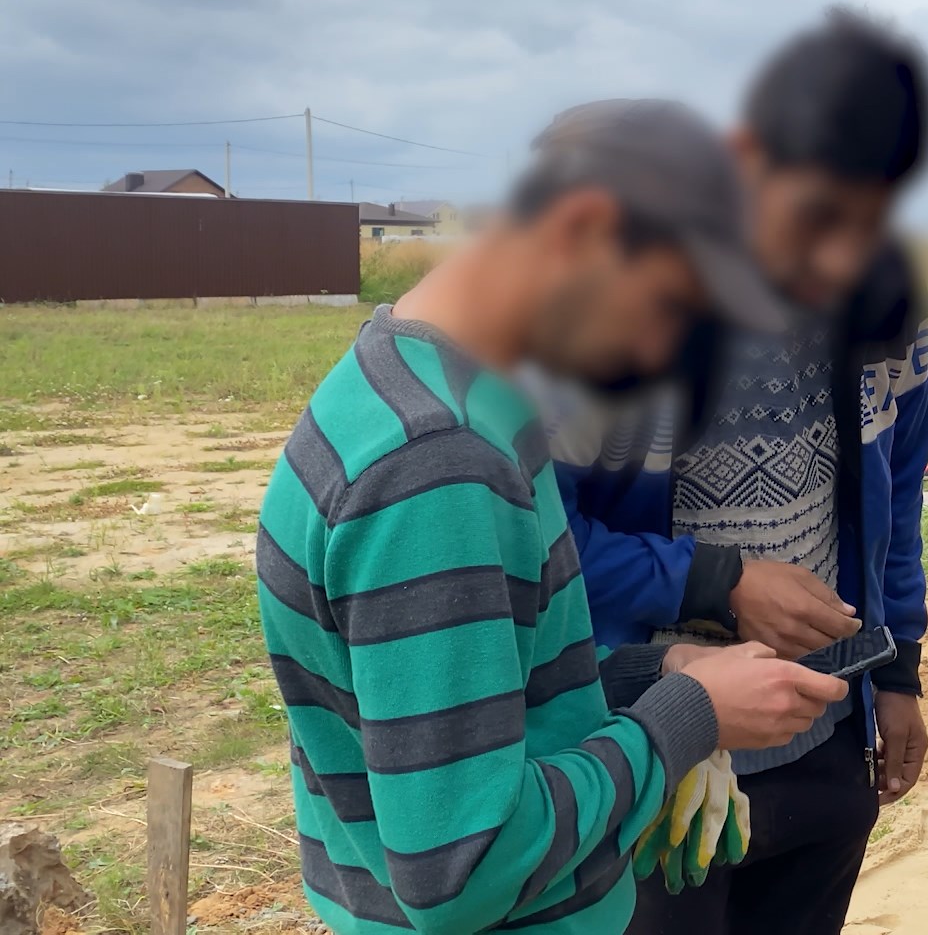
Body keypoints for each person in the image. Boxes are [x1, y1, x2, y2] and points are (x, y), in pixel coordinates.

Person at [254, 99, 850, 935]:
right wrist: (686, 721)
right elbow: (463, 869)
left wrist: (656, 673)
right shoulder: (438, 466)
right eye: (670, 309)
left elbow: (480, 703)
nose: (660, 358)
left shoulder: (428, 382)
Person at [533, 11, 928, 935]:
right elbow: (535, 549)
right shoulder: (623, 328)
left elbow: (899, 497)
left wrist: (901, 669)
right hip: (652, 747)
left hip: (825, 740)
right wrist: (720, 582)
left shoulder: (883, 307)